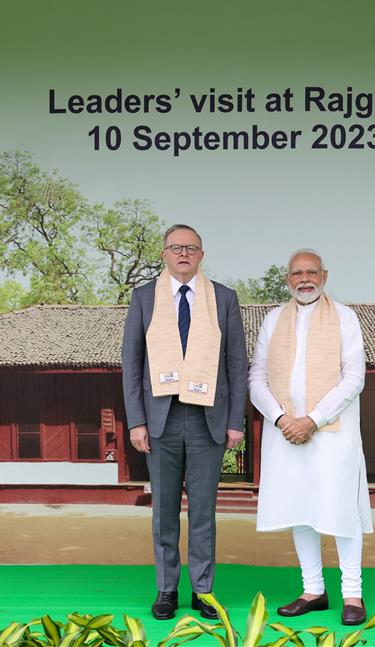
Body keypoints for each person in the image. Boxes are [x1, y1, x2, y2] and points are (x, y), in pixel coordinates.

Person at [122, 224, 247, 620]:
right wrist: (136, 420)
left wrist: (235, 421)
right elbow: (131, 363)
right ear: (164, 254)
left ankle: (204, 591)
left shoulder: (223, 299)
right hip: (160, 420)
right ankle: (165, 590)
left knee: (204, 511)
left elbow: (237, 363)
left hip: (209, 417)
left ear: (201, 255)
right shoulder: (143, 298)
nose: (183, 254)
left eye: (191, 248)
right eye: (176, 247)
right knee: (164, 512)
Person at [249, 248, 373, 626]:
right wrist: (283, 418)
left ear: (325, 276)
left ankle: (353, 594)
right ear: (288, 279)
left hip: (333, 432)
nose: (305, 279)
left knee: (341, 511)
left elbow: (354, 378)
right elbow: (256, 378)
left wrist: (313, 419)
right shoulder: (273, 320)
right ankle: (313, 590)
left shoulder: (346, 318)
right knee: (300, 508)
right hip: (285, 432)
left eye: (312, 272)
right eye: (297, 273)